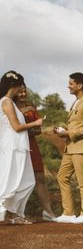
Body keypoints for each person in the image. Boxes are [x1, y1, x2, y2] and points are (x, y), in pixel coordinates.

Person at [54, 72, 83, 224]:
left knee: (82, 181)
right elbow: (78, 124)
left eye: (71, 83)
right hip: (70, 148)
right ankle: (68, 212)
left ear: (79, 85)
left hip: (80, 148)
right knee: (62, 177)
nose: (68, 86)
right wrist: (64, 130)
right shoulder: (76, 102)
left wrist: (69, 133)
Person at [0, 70, 42, 225]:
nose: (21, 89)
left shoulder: (9, 102)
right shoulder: (6, 102)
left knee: (25, 181)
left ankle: (15, 214)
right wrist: (35, 123)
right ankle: (12, 214)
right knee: (9, 183)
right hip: (12, 148)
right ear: (13, 86)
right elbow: (17, 127)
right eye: (19, 86)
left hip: (18, 146)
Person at [15, 83, 56, 221]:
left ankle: (48, 212)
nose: (23, 94)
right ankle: (17, 213)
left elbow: (39, 130)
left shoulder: (32, 108)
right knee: (17, 180)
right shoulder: (9, 107)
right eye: (20, 92)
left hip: (32, 146)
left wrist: (27, 130)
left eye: (24, 91)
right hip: (17, 147)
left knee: (40, 178)